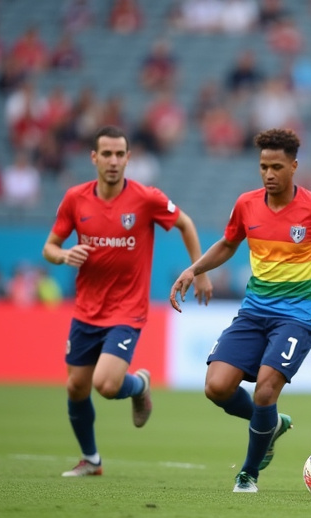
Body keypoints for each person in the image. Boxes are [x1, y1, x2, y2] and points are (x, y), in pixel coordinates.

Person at [169, 128, 311, 493]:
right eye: (263, 167)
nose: (269, 174)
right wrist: (196, 269)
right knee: (216, 387)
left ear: (293, 166)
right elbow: (228, 244)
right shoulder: (247, 204)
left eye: (276, 166)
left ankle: (248, 473)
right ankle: (271, 423)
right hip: (254, 311)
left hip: (300, 316)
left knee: (265, 390)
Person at [43, 125, 212, 478]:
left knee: (105, 384)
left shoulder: (146, 198)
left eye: (120, 154)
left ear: (129, 158)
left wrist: (199, 271)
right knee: (76, 386)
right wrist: (63, 255)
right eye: (106, 154)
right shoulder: (75, 199)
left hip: (127, 309)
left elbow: (186, 223)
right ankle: (91, 460)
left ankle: (140, 386)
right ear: (94, 158)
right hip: (86, 310)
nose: (114, 161)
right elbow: (49, 247)